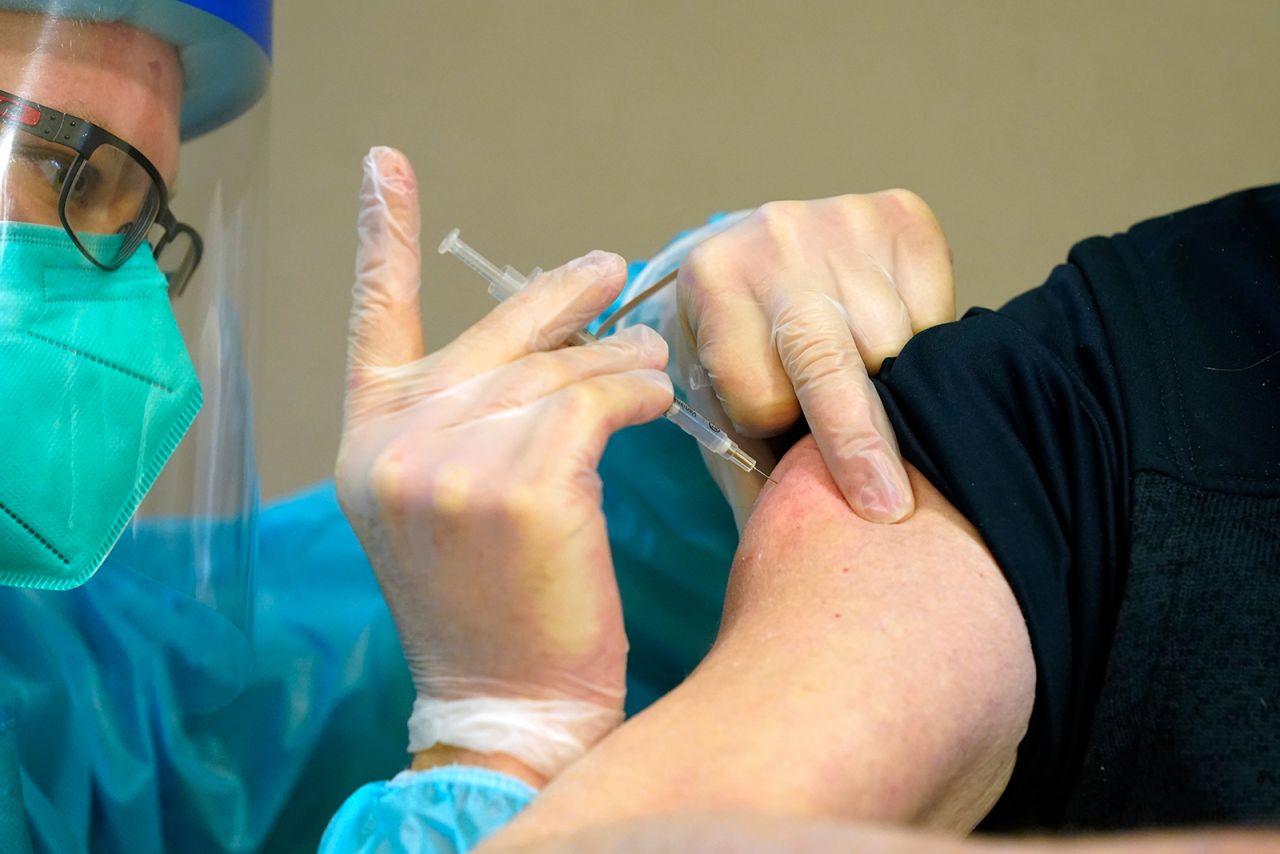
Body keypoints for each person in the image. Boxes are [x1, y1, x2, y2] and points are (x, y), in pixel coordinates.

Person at [321, 145, 1279, 852]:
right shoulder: (1164, 325)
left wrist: (499, 749)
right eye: (156, 206)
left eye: (170, 227)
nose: (161, 278)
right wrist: (495, 738)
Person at [0, 5, 416, 852]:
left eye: (138, 227)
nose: (129, 308)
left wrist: (672, 364)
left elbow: (295, 683)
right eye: (70, 174)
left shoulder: (54, 682)